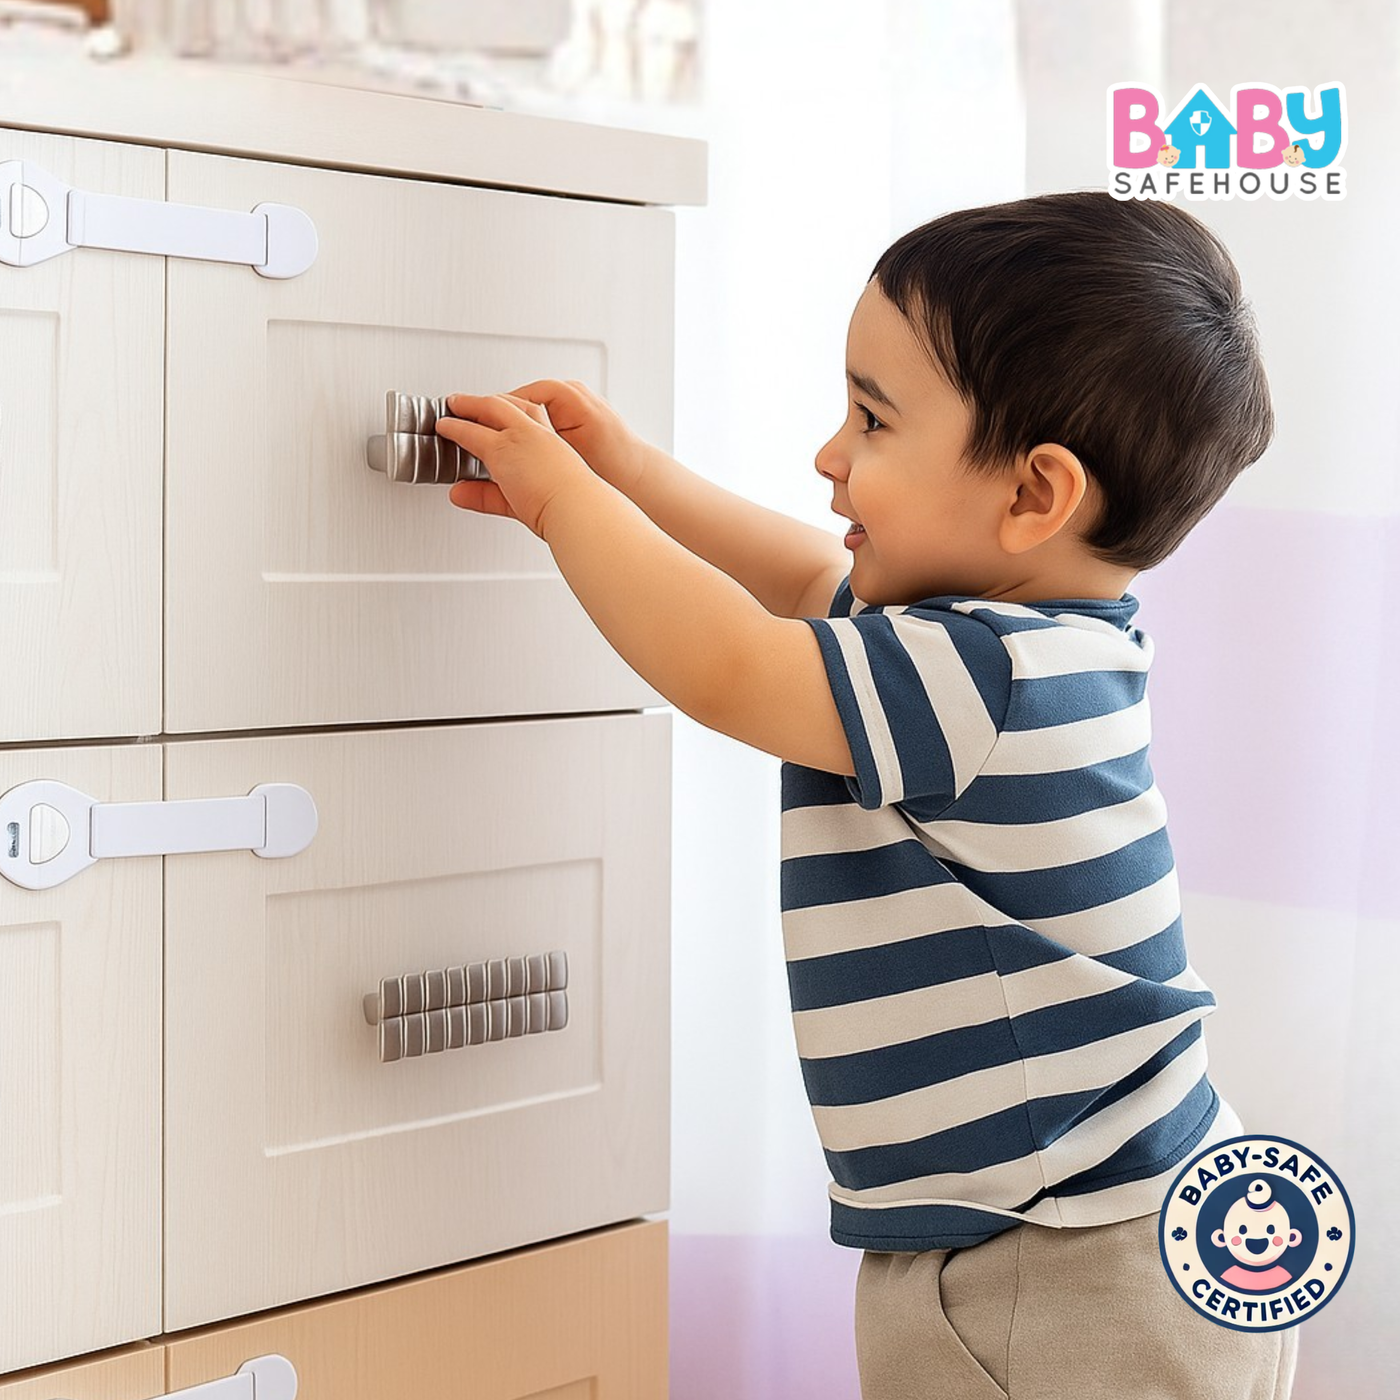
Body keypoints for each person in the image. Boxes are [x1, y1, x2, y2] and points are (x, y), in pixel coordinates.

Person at [433, 190, 1296, 1399]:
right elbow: (801, 581)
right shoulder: (1022, 646)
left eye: (872, 419)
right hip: (1095, 1216)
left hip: (1063, 1257)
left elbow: (733, 664)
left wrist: (560, 500)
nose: (829, 455)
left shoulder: (980, 679)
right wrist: (627, 472)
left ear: (1033, 496)